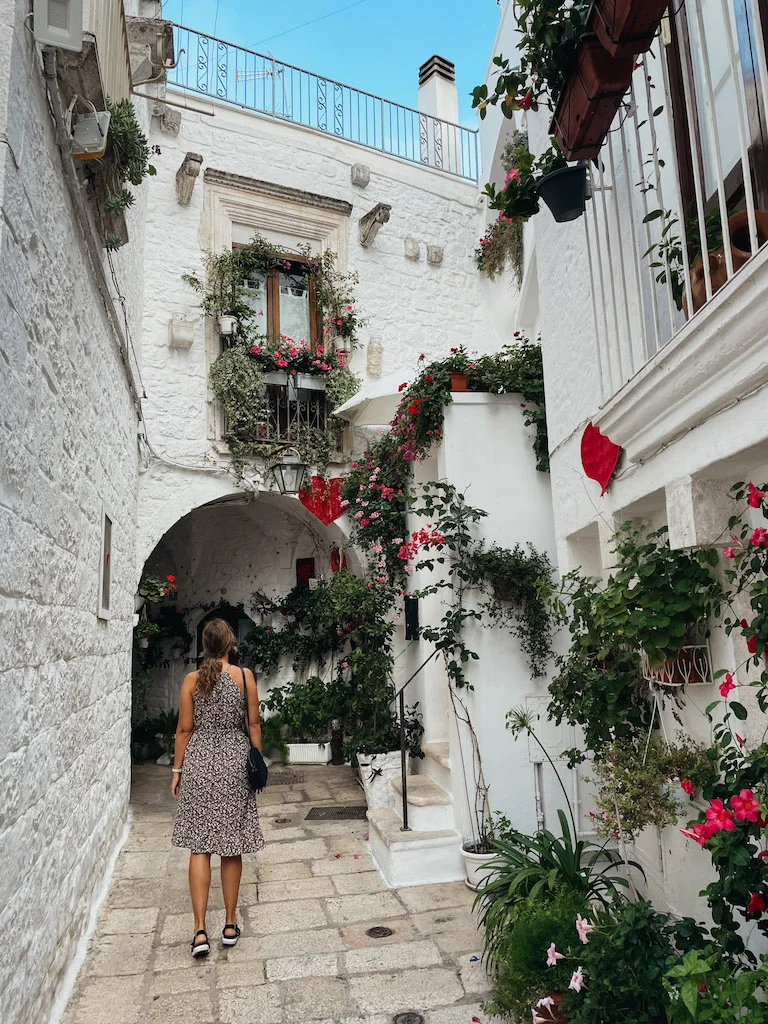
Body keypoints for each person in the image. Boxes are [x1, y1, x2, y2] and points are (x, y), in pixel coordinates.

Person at [171, 618, 265, 957]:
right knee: (231, 845)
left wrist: (178, 770)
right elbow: (253, 723)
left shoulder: (192, 680)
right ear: (231, 644)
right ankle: (228, 924)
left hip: (198, 762)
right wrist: (257, 762)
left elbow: (184, 730)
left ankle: (199, 932)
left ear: (205, 646)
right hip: (234, 762)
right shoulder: (244, 677)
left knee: (199, 847)